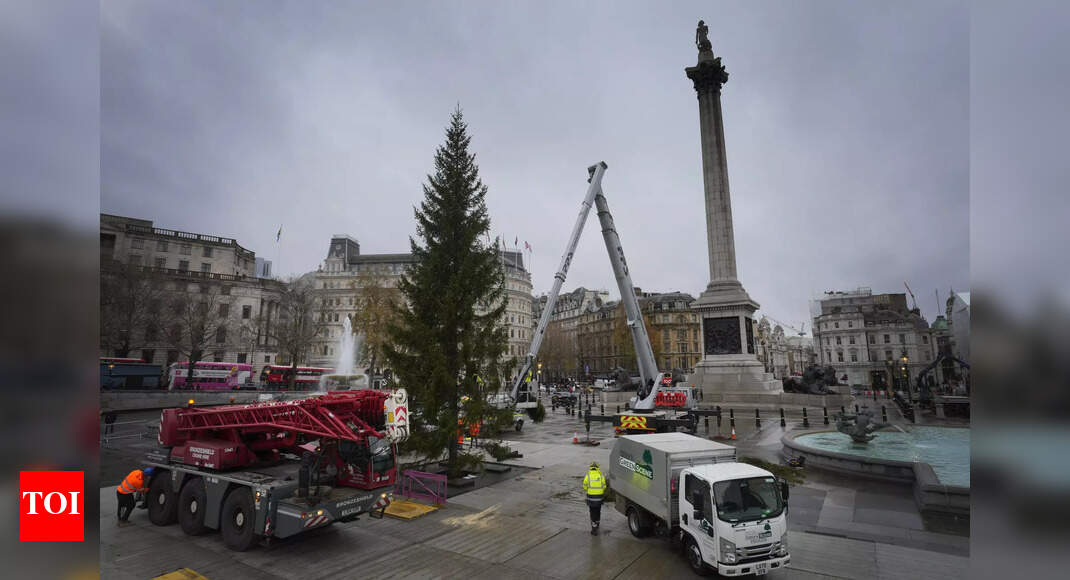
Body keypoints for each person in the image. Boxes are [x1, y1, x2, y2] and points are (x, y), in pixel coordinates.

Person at [582, 461, 607, 535]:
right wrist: (600, 491)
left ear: (591, 468)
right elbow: (604, 486)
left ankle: (594, 528)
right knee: (598, 510)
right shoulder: (601, 476)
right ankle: (597, 523)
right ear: (597, 468)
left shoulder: (588, 476)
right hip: (599, 497)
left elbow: (584, 486)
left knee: (592, 511)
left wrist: (589, 490)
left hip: (591, 497)